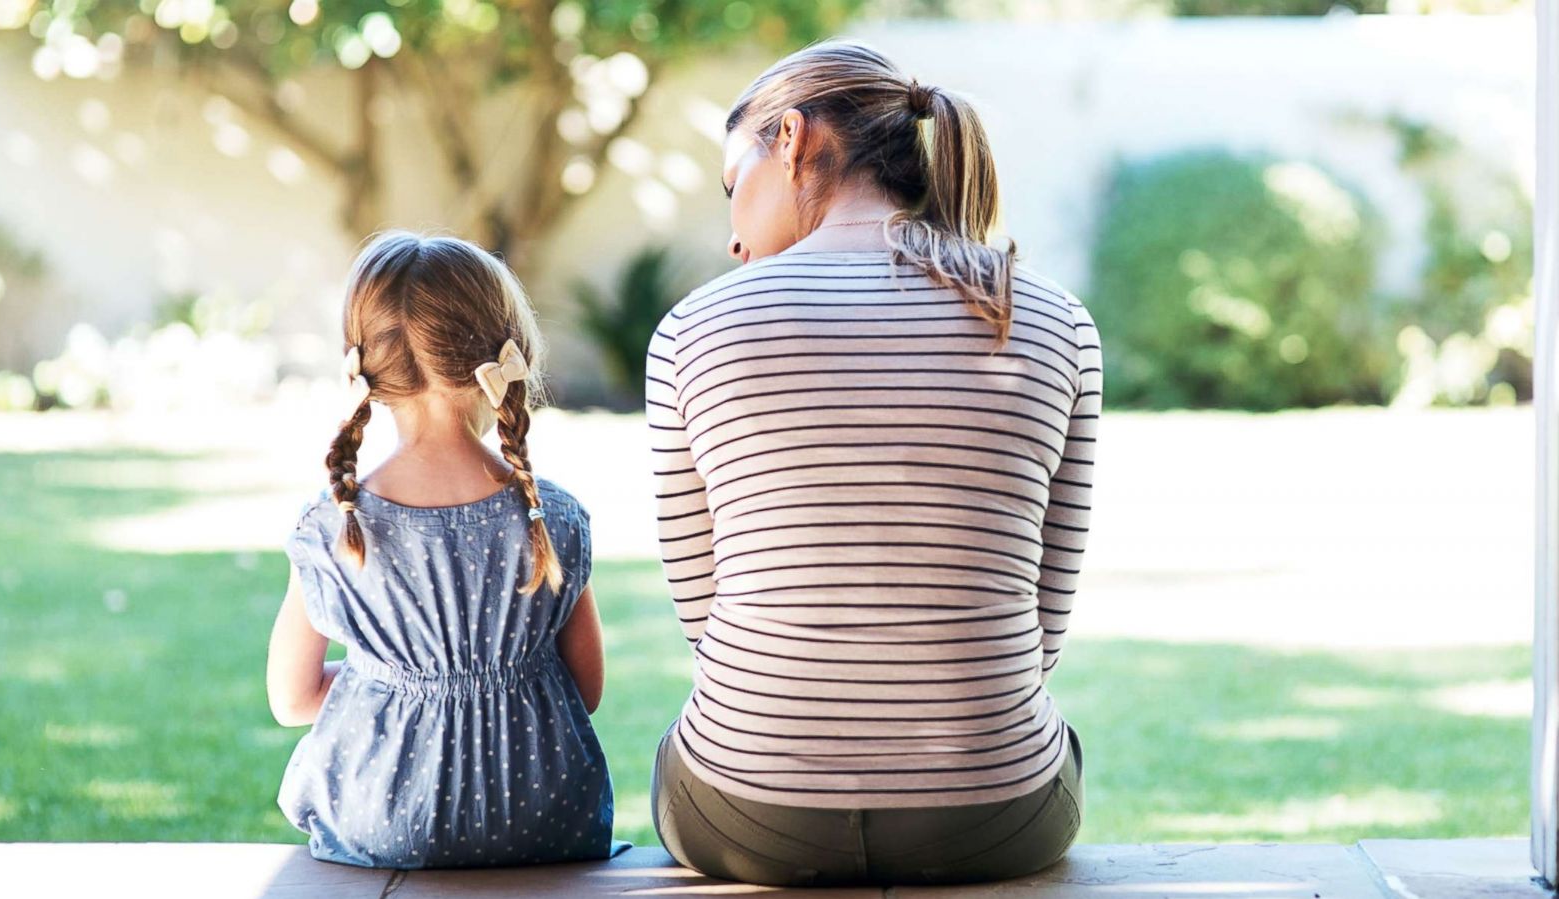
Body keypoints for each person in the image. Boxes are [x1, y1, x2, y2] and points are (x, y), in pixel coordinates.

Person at [645, 40, 1102, 886]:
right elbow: (1043, 620)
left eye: (730, 185)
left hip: (750, 813)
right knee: (1054, 740)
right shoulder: (1052, 319)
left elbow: (706, 618)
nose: (733, 235)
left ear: (790, 138)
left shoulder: (693, 329)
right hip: (994, 813)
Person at [266, 229, 621, 868]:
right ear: (505, 354)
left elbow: (291, 700)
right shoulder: (554, 517)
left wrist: (395, 678)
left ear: (364, 369)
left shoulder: (334, 525)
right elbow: (586, 689)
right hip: (542, 820)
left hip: (381, 823)